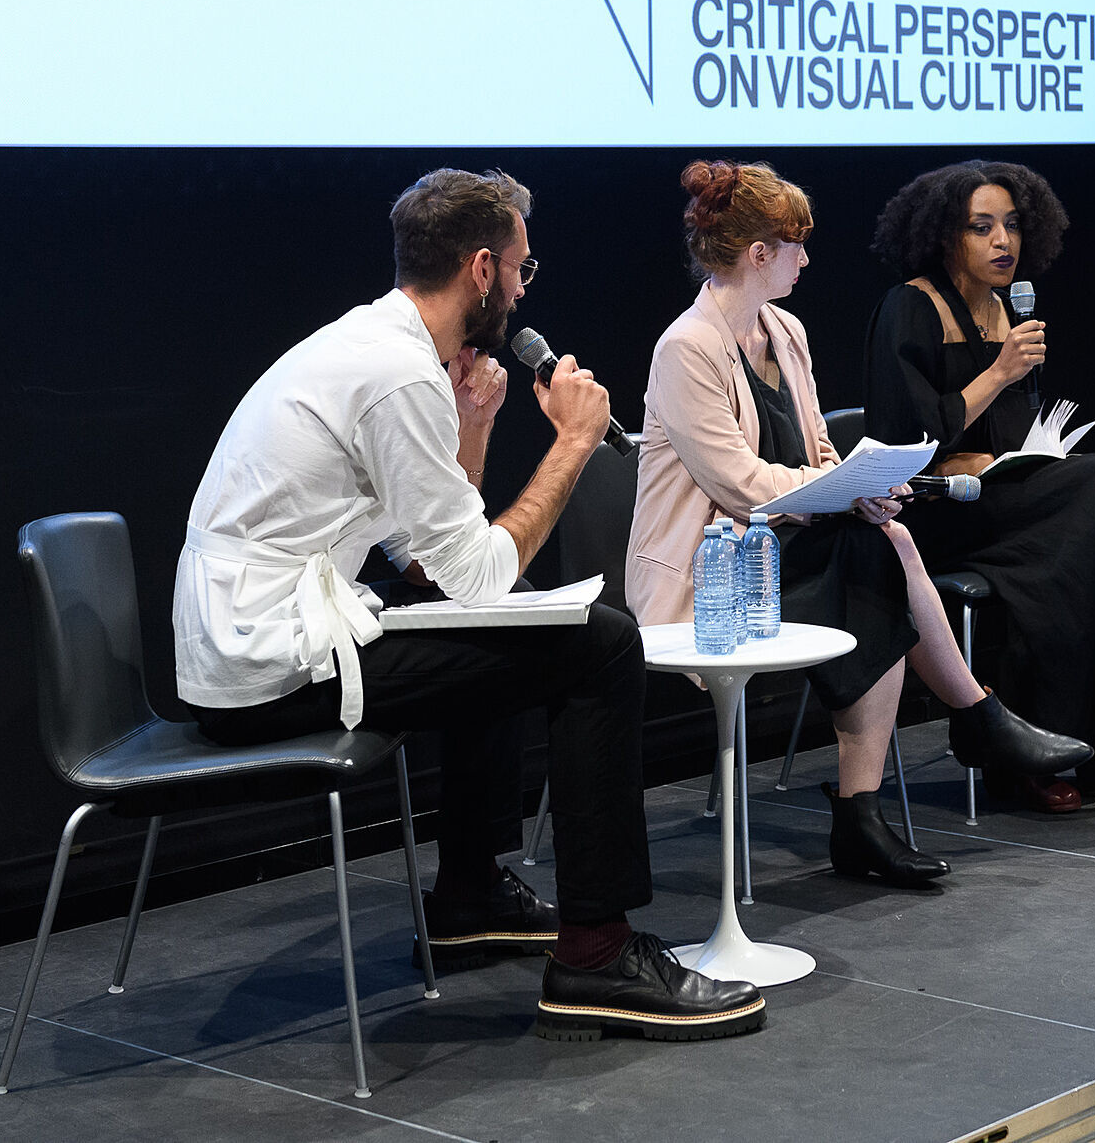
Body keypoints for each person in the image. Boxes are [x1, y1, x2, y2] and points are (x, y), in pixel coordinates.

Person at [172, 167, 766, 1043]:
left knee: (516, 618)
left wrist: (475, 433)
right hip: (266, 666)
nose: (525, 290)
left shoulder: (386, 349)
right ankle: (596, 956)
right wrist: (571, 445)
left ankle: (469, 895)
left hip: (270, 639)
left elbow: (433, 569)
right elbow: (472, 577)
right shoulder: (398, 373)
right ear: (482, 270)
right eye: (523, 269)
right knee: (599, 646)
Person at [628, 160, 1092, 883]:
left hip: (786, 548)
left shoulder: (784, 330)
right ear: (759, 255)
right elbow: (740, 485)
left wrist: (858, 487)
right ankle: (951, 735)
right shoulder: (686, 347)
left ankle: (876, 806)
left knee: (879, 542)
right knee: (877, 550)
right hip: (714, 576)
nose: (807, 261)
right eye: (795, 248)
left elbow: (815, 450)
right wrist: (841, 496)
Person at [862, 160, 1095, 810]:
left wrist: (1023, 443)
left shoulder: (1004, 313)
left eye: (1011, 226)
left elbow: (1008, 438)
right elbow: (908, 439)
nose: (1002, 242)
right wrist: (1000, 373)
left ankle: (1065, 739)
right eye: (981, 227)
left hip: (1004, 502)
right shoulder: (910, 306)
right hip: (934, 513)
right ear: (943, 236)